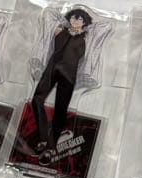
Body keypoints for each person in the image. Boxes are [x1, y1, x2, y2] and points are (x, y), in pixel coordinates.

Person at [31, 9, 91, 166]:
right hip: (51, 69)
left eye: (79, 19)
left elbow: (80, 56)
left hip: (68, 75)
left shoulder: (85, 38)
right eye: (73, 18)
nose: (75, 21)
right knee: (36, 100)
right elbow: (50, 17)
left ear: (84, 22)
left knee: (60, 109)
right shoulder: (60, 31)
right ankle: (43, 138)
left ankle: (51, 148)